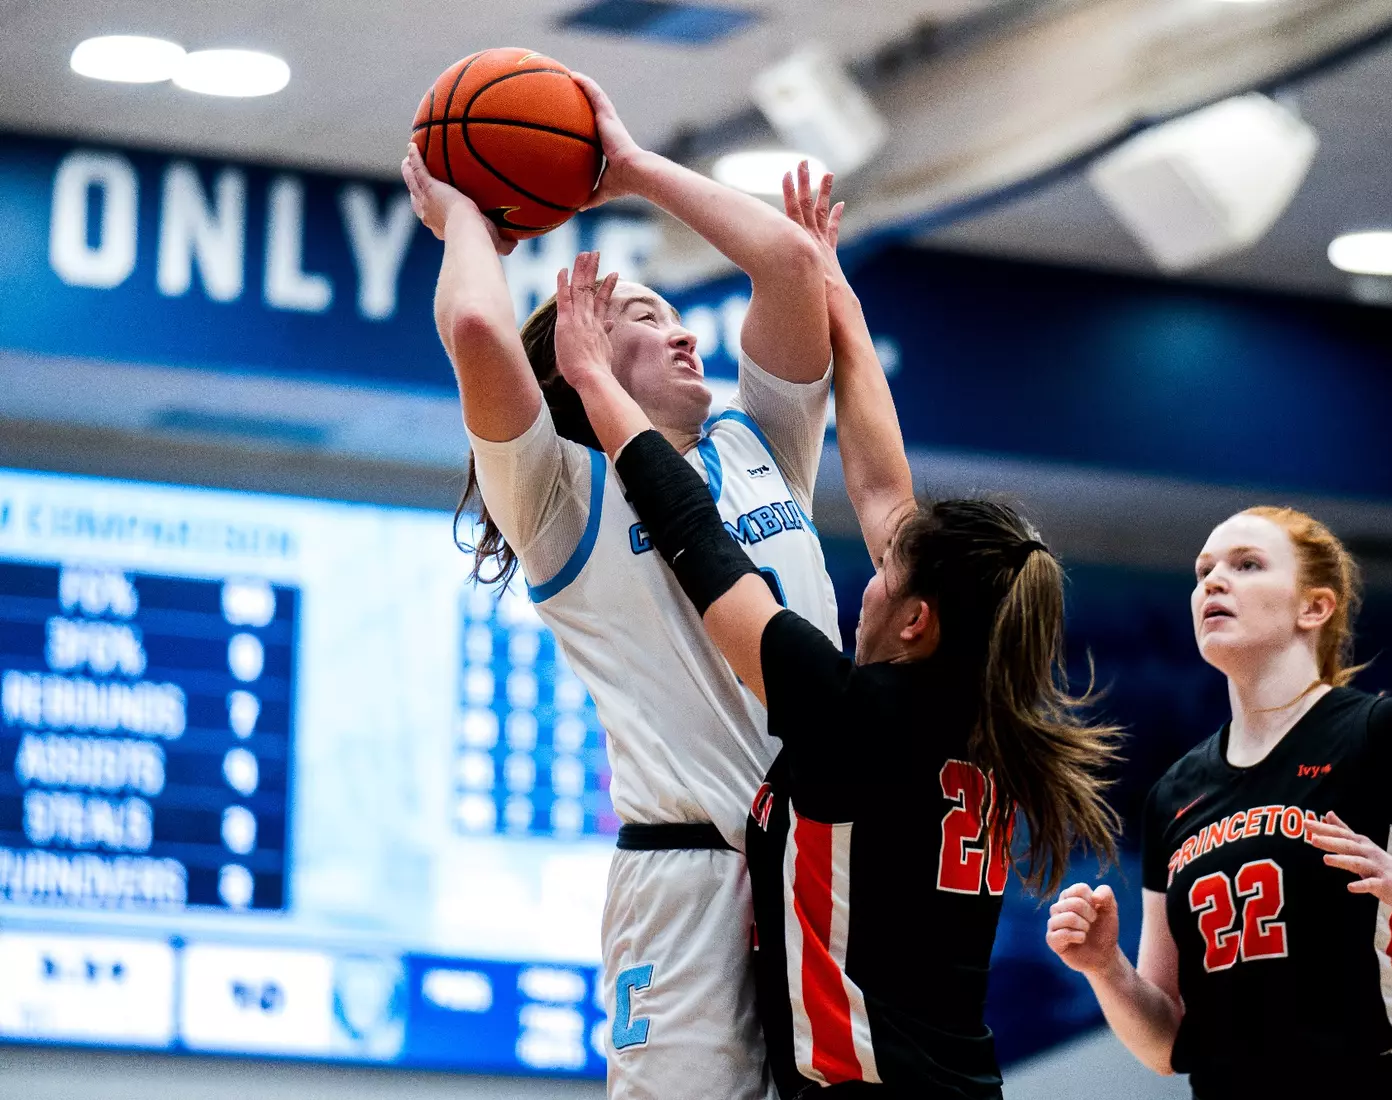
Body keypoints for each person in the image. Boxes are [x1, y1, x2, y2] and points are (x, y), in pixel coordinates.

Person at [549, 179, 1122, 1096]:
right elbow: (886, 494)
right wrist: (835, 301)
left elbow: (700, 543)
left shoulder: (853, 715)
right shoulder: (971, 719)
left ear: (917, 620)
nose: (868, 578)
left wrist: (596, 388)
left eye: (888, 574)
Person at [400, 73, 841, 1100]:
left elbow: (786, 262)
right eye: (646, 314)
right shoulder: (560, 492)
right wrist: (467, 216)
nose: (686, 333)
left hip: (826, 864)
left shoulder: (757, 441)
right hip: (688, 875)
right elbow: (475, 330)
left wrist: (629, 167)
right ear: (580, 351)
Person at [1046, 506, 1392, 1100]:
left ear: (1314, 607)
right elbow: (1168, 1044)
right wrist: (1105, 968)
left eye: (1247, 564)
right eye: (1203, 572)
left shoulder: (1389, 733)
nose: (1213, 582)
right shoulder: (1173, 793)